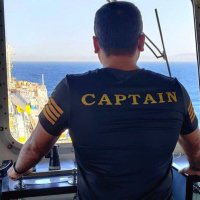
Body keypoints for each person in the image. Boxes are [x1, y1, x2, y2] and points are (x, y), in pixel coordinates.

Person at [8, 1, 200, 199]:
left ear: (95, 44)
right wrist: (194, 167)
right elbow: (196, 149)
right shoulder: (174, 90)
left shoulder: (72, 89)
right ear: (141, 42)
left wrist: (17, 171)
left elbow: (34, 148)